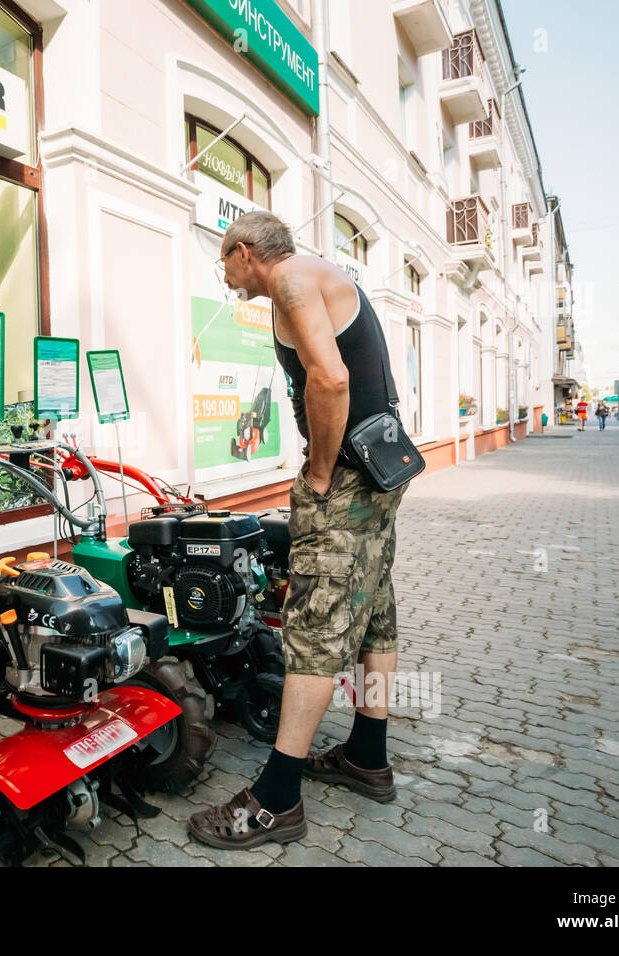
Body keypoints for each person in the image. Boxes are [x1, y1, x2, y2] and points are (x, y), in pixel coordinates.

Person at [188, 210, 410, 851]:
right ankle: (368, 755)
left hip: (346, 478)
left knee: (313, 628)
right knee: (373, 613)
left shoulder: (287, 281)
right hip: (382, 467)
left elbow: (331, 378)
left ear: (244, 251)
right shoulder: (320, 272)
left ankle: (276, 801)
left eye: (224, 262)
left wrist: (316, 472)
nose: (226, 275)